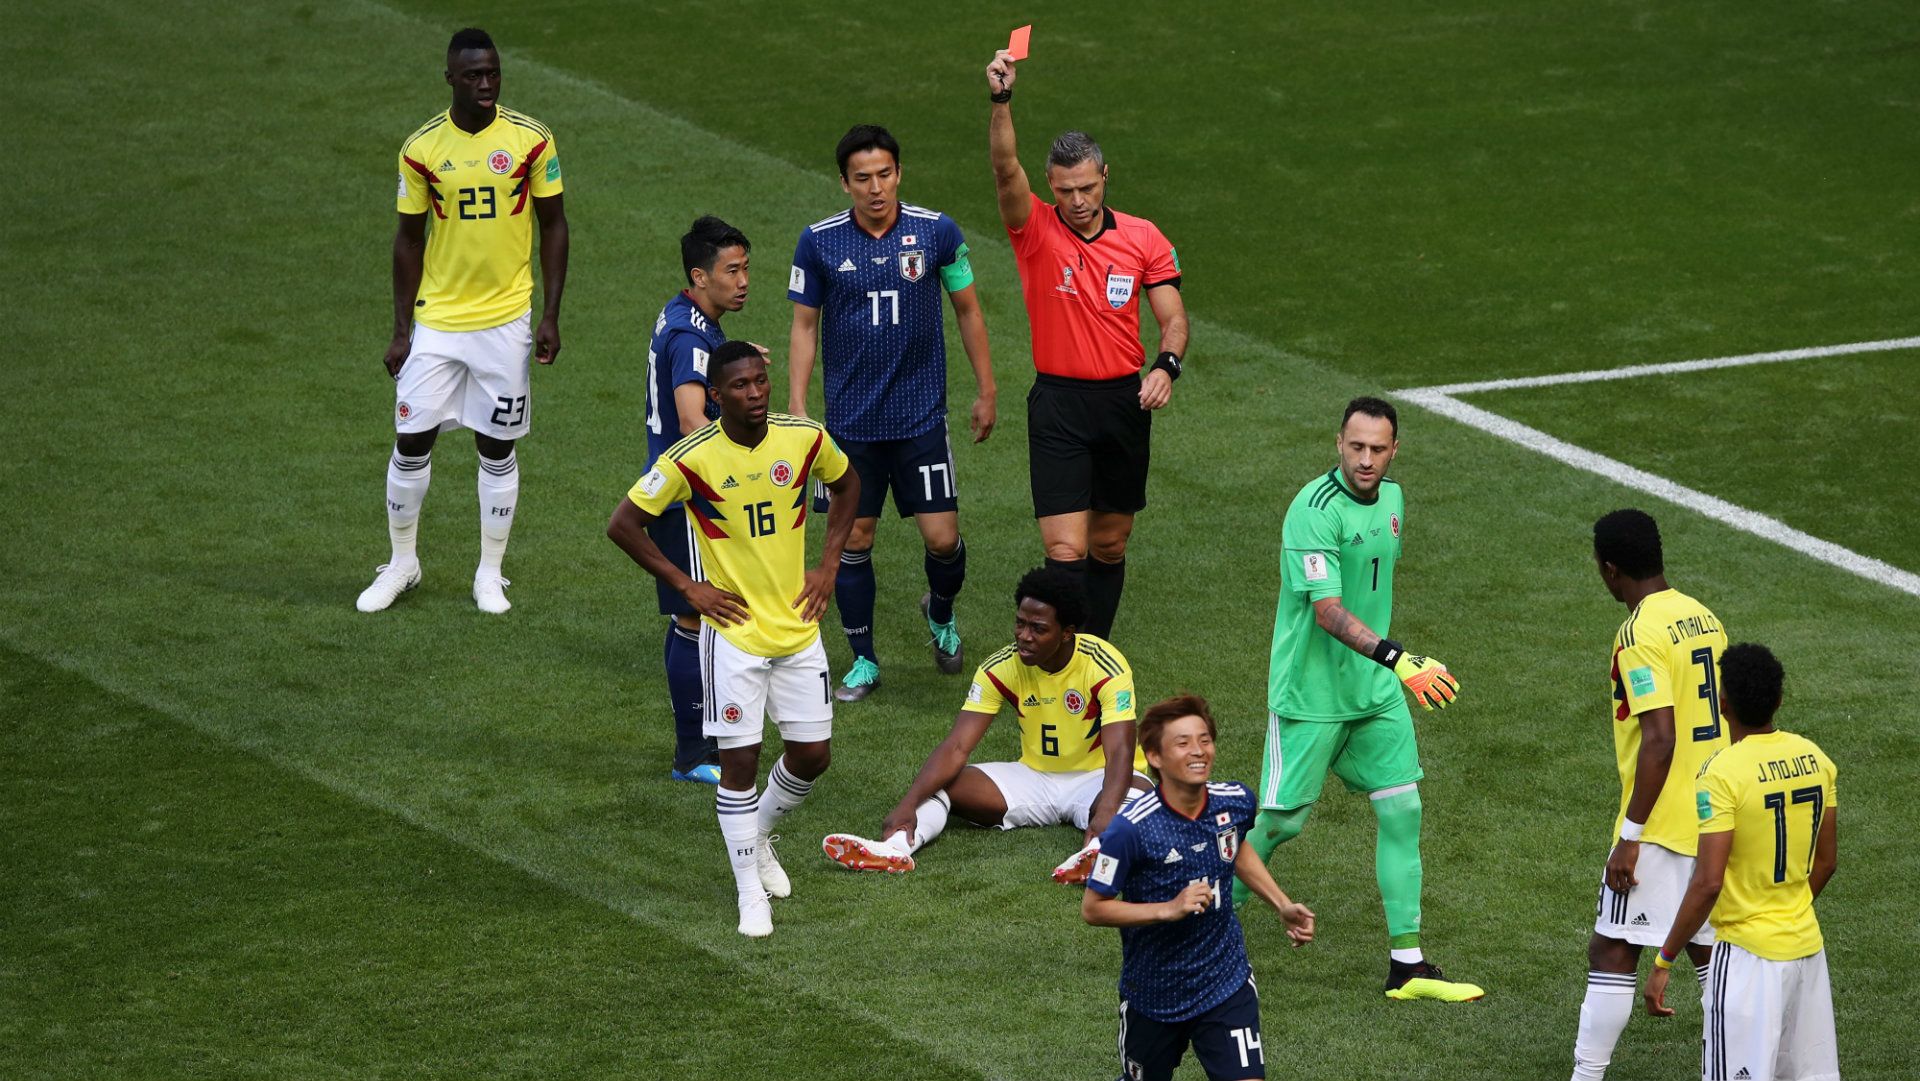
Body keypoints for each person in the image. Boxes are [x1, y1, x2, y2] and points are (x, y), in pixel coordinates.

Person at [607, 342, 859, 938]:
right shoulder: (690, 457)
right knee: (739, 762)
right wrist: (686, 586)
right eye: (740, 386)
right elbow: (623, 522)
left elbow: (848, 486)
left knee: (812, 756)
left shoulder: (803, 438)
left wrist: (828, 566)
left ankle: (760, 834)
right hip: (734, 635)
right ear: (716, 396)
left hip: (797, 626)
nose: (754, 394)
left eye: (759, 383)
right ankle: (749, 891)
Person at [1236, 396, 1481, 1002]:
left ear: (1396, 449)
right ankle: (1205, 920)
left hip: (1373, 694)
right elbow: (1328, 612)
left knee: (1403, 811)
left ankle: (1408, 965)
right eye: (1356, 447)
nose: (1366, 459)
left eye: (1378, 449)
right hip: (1311, 695)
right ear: (1338, 443)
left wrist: (1386, 672)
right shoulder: (1312, 511)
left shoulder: (1394, 500)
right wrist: (1400, 660)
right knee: (1283, 821)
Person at [359, 27, 569, 615]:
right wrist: (401, 329)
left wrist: (549, 314)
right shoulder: (422, 148)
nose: (486, 83)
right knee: (410, 437)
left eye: (493, 73)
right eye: (473, 74)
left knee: (496, 446)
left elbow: (554, 225)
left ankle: (489, 573)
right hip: (440, 320)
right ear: (450, 77)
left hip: (506, 321)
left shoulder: (531, 140)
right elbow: (407, 240)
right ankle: (402, 563)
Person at [983, 47, 1189, 640]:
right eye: (1065, 189)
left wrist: (1166, 367)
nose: (1077, 201)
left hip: (1123, 404)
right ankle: (1063, 654)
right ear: (1051, 186)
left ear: (1105, 178)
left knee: (1109, 541)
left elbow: (1173, 317)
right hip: (1059, 406)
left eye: (1087, 187)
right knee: (1065, 548)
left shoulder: (1144, 237)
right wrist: (1001, 101)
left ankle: (1093, 650)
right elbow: (1003, 170)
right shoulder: (1034, 229)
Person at [787, 124, 996, 702]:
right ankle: (864, 661)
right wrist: (800, 406)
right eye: (863, 178)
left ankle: (942, 615)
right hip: (850, 429)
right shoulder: (820, 242)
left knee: (943, 540)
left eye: (884, 175)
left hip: (920, 421)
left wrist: (987, 389)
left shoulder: (937, 233)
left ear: (899, 173)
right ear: (844, 182)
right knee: (855, 539)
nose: (875, 188)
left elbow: (969, 310)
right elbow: (805, 326)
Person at [818, 566, 1148, 876]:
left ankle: (1095, 851)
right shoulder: (1000, 667)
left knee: (1140, 799)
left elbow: (1119, 752)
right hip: (1034, 776)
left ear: (1067, 633)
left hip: (1097, 778)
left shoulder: (1104, 664)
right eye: (1020, 623)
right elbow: (957, 746)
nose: (1024, 636)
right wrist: (907, 803)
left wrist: (1104, 812)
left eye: (1039, 629)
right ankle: (895, 847)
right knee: (942, 784)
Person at [1570, 509, 1731, 1080]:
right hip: (1715, 815)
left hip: (1662, 824)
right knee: (1713, 956)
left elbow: (1659, 739)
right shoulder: (1703, 617)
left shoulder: (1639, 633)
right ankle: (1737, 1068)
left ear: (1610, 570)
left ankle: (1585, 1077)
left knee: (1613, 949)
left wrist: (1630, 838)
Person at [1082, 695, 1315, 1081]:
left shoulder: (1236, 801)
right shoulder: (1130, 829)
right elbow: (1094, 907)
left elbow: (1233, 849)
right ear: (1155, 757)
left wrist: (1281, 904)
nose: (1199, 751)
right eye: (1183, 742)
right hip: (1152, 994)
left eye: (1205, 740)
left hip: (1225, 982)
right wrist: (1167, 909)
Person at [1643, 644, 1839, 1081]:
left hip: (1748, 961)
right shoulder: (1817, 760)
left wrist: (1664, 960)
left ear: (1722, 702)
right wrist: (1787, 910)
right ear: (1779, 699)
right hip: (1808, 952)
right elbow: (1826, 863)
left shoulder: (1721, 773)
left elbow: (1708, 882)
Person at [644, 216, 753, 785]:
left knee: (692, 616)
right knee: (695, 614)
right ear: (699, 275)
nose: (743, 281)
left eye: (746, 268)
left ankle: (701, 741)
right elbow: (691, 419)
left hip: (670, 489)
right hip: (686, 494)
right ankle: (693, 753)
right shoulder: (691, 337)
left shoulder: (685, 316)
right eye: (731, 271)